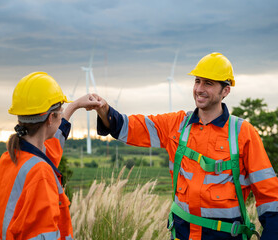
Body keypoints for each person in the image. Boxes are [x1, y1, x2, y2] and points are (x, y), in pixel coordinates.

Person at [94, 52, 278, 239]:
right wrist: (104, 110)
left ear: (226, 91)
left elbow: (269, 196)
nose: (199, 88)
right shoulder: (177, 125)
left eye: (208, 83)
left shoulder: (243, 133)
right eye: (197, 81)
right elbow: (129, 127)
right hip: (182, 235)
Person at [0, 72, 101, 240]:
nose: (61, 115)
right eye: (60, 112)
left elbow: (51, 147)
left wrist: (73, 107)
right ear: (51, 118)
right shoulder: (40, 172)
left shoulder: (10, 158)